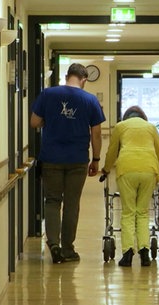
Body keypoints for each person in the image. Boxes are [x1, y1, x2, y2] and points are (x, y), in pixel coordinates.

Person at [30, 63, 105, 264]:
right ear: (84, 80)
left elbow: (34, 122)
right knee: (72, 204)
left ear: (66, 76)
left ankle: (53, 244)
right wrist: (96, 159)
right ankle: (67, 249)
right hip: (77, 159)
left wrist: (50, 121)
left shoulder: (48, 94)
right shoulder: (90, 100)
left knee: (52, 201)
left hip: (51, 158)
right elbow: (96, 133)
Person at [102, 106, 159, 267]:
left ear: (126, 117)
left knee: (128, 212)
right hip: (148, 170)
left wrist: (106, 169)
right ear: (143, 117)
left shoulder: (120, 126)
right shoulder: (151, 128)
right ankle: (145, 253)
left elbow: (112, 151)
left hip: (127, 169)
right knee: (143, 212)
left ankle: (128, 254)